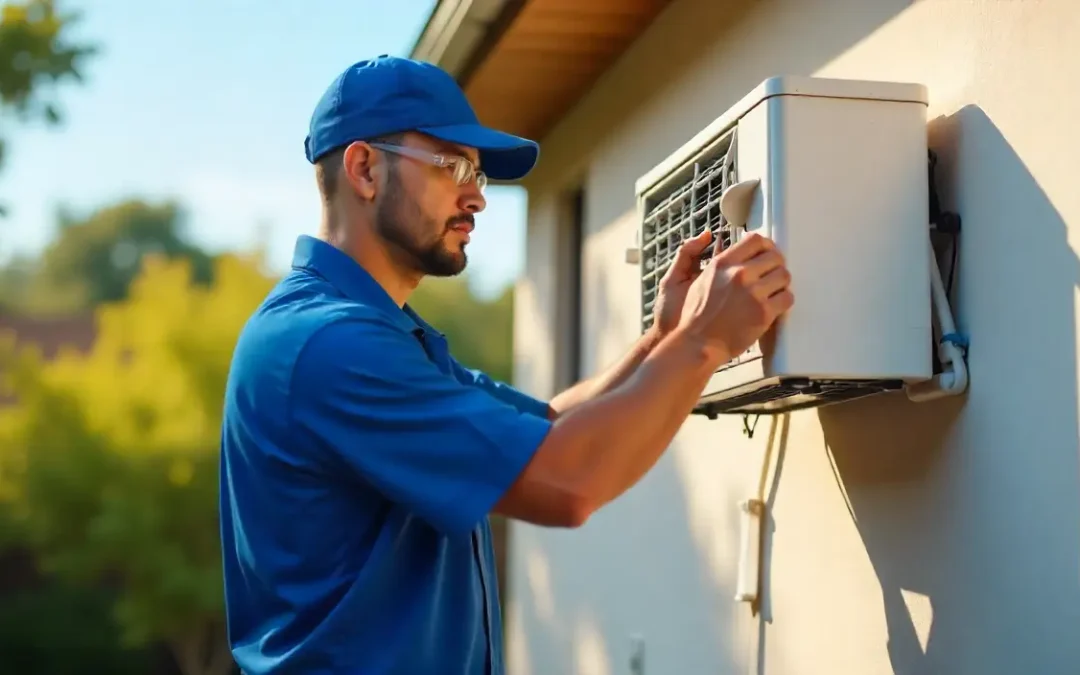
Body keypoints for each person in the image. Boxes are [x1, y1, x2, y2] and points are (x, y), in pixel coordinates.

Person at [218, 54, 794, 675]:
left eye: (480, 174)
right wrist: (705, 341)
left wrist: (664, 338)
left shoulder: (379, 335)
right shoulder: (328, 345)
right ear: (364, 169)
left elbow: (547, 424)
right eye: (453, 165)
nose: (476, 197)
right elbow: (568, 481)